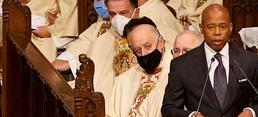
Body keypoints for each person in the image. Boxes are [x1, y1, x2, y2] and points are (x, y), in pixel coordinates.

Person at [52, 0, 182, 82]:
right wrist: (71, 62)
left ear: (136, 13)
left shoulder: (156, 30)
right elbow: (95, 61)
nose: (117, 19)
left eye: (123, 13)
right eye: (113, 14)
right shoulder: (104, 33)